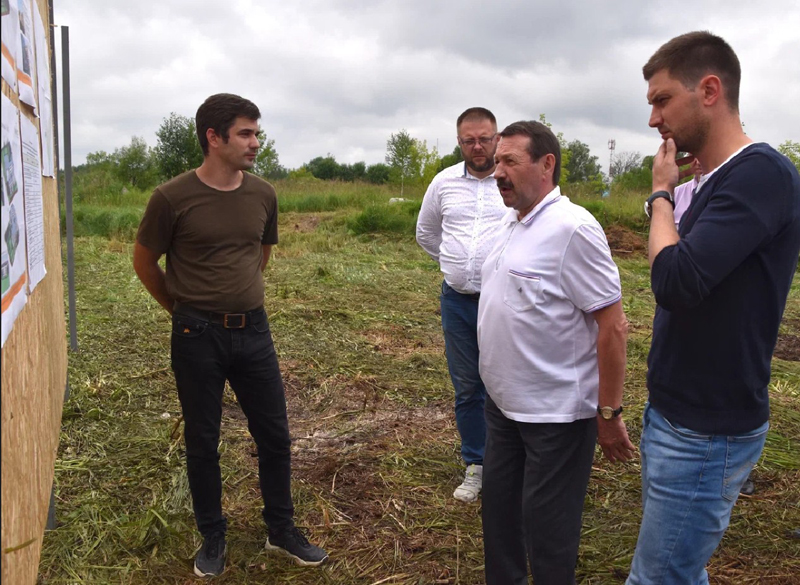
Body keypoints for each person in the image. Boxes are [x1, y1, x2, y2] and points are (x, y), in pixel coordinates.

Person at [133, 93, 328, 578]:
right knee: (203, 439)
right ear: (214, 137)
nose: (255, 142)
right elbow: (144, 262)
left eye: (256, 132)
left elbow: (260, 254)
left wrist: (238, 296)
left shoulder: (263, 194)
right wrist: (182, 310)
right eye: (245, 133)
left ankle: (280, 529)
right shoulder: (171, 198)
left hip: (254, 331)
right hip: (196, 334)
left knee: (275, 435)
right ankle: (213, 535)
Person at [630, 31, 800, 584]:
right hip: (678, 414)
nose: (654, 119)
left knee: (658, 577)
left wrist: (661, 194)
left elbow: (675, 280)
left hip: (706, 431)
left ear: (709, 90)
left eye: (662, 100)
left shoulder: (761, 174)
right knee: (678, 570)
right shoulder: (717, 180)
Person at [477, 120, 634, 584]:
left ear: (546, 164)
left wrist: (608, 412)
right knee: (499, 514)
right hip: (502, 405)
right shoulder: (511, 221)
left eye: (509, 161)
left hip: (555, 415)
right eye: (497, 161)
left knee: (548, 530)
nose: (497, 171)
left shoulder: (573, 229)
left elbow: (613, 326)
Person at [416, 107, 507, 502]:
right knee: (468, 386)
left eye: (484, 139)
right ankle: (476, 463)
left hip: (504, 302)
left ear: (497, 138)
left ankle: (508, 461)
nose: (477, 146)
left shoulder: (511, 180)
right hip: (456, 301)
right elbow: (426, 232)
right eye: (469, 140)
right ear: (459, 142)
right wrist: (455, 263)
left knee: (505, 382)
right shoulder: (444, 182)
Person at [672, 158, 702, 226]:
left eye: (702, 156)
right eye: (694, 157)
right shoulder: (676, 193)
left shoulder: (723, 190)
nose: (698, 162)